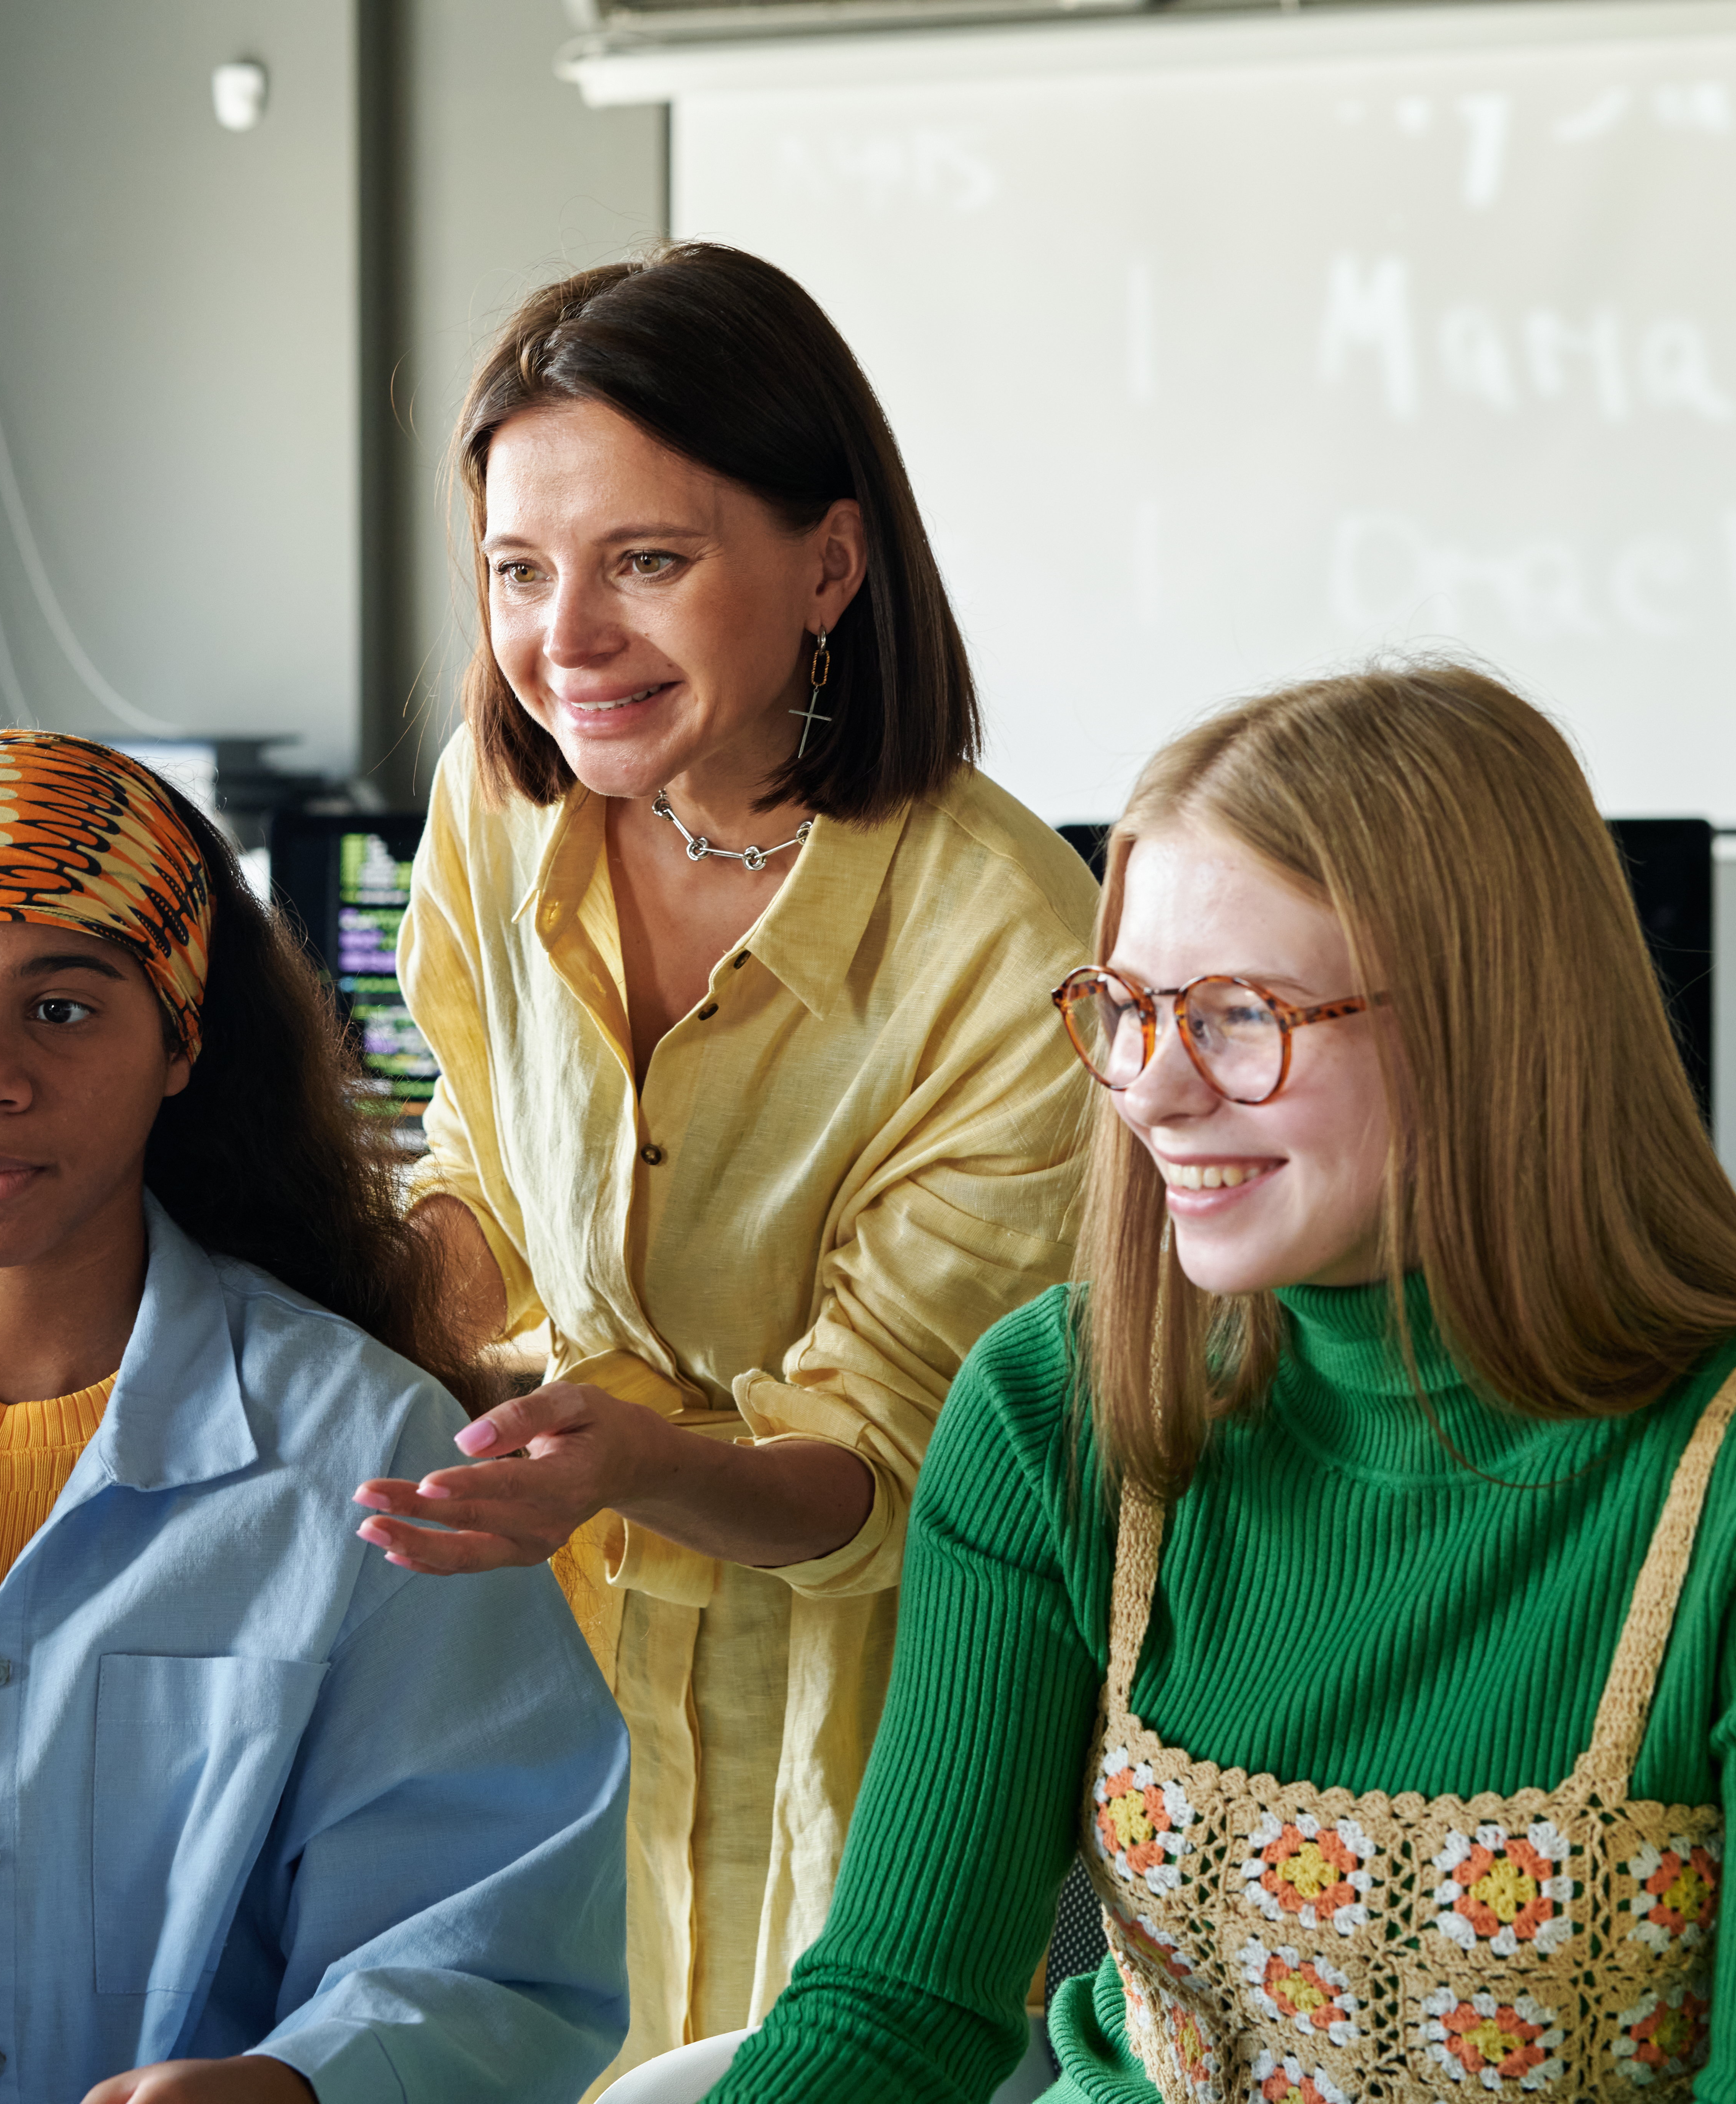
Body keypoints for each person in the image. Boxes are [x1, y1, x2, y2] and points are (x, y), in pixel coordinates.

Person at [706, 661, 1736, 2103]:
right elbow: (897, 2008)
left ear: (1486, 1024)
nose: (1149, 1087)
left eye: (1238, 1014)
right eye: (1128, 1007)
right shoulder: (1050, 1400)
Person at [352, 244, 1100, 2083]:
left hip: (867, 1723)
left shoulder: (1006, 940)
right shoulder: (495, 801)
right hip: (538, 1656)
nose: (567, 638)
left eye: (645, 561)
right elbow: (480, 1169)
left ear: (829, 565)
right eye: (519, 569)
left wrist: (638, 1460)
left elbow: (896, 1470)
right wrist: (336, 1306)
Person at [0, 729, 630, 2104]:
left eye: (60, 1008)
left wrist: (299, 2084)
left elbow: (490, 1934)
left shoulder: (367, 1449)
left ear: (181, 1040)